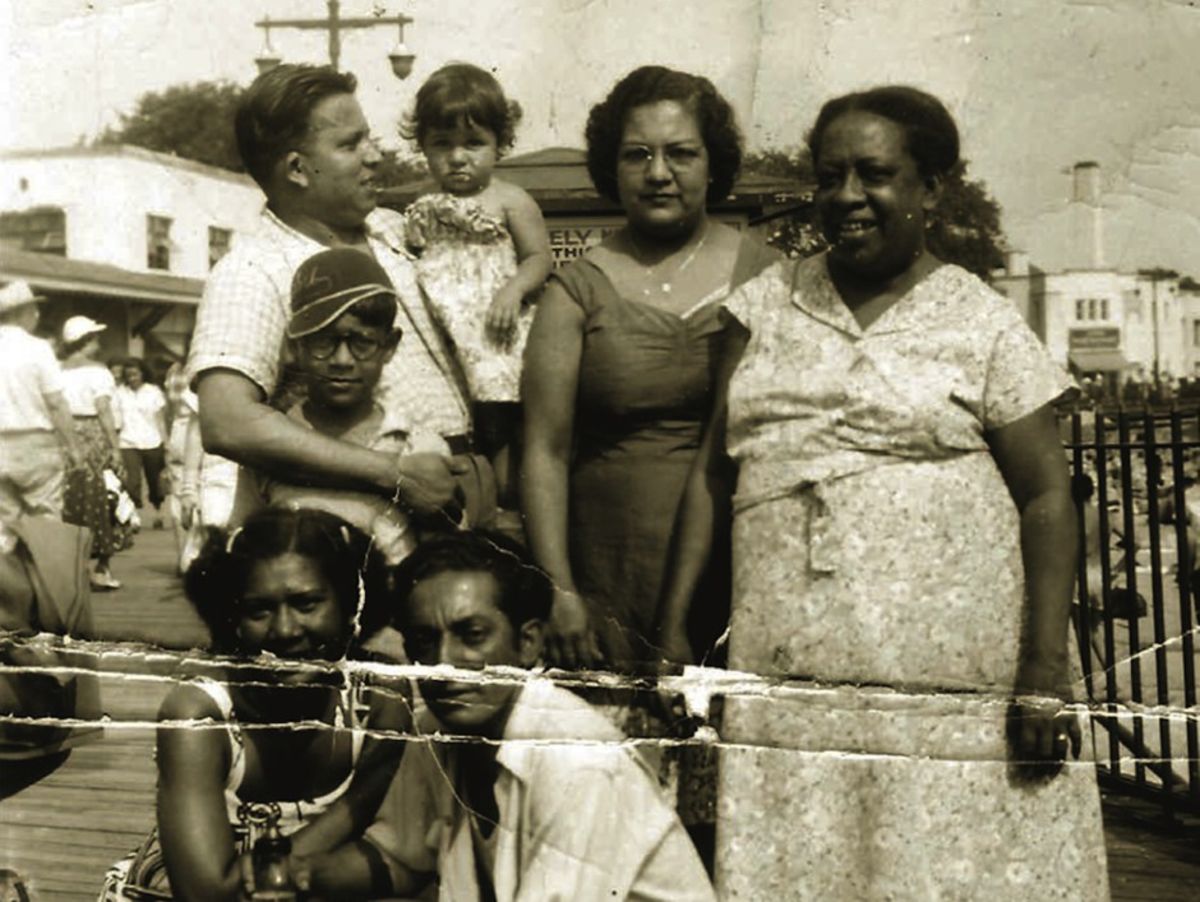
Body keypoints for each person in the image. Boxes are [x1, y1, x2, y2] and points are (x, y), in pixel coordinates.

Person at [662, 86, 1109, 898]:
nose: (847, 197)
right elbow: (711, 474)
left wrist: (1044, 668)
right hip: (793, 663)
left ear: (930, 187)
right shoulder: (762, 309)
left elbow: (1048, 497)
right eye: (830, 175)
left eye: (876, 174)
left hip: (952, 674)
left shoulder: (980, 321)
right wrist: (669, 634)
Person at [522, 65, 781, 669]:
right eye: (637, 154)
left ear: (713, 162)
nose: (658, 173)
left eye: (681, 153)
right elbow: (545, 451)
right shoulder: (574, 291)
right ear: (612, 169)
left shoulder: (767, 276)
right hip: (610, 565)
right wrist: (559, 589)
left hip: (741, 562)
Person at [296, 531, 716, 901]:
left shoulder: (575, 761)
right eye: (424, 641)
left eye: (472, 636)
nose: (444, 664)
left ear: (528, 643)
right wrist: (294, 876)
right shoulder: (438, 730)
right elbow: (398, 859)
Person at [187, 63, 472, 525]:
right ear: (297, 169)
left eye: (369, 138)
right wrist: (392, 474)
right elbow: (226, 420)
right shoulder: (254, 268)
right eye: (350, 144)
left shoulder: (393, 230)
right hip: (362, 525)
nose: (375, 156)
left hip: (453, 496)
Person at [101, 507, 412, 901]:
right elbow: (207, 893)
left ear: (352, 605)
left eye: (307, 603)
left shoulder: (377, 694)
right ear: (232, 619)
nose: (283, 630)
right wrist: (360, 799)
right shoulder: (199, 714)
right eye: (258, 610)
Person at [233, 246, 451, 564]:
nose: (342, 361)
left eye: (362, 343)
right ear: (297, 347)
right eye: (324, 342)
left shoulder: (415, 446)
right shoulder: (268, 449)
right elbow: (243, 545)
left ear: (388, 347)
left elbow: (440, 561)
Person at [403, 63, 553, 505]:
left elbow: (539, 257)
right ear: (424, 148)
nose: (457, 157)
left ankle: (508, 503)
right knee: (456, 424)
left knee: (501, 420)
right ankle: (471, 501)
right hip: (444, 333)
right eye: (442, 145)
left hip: (493, 331)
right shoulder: (423, 205)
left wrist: (514, 289)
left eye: (474, 144)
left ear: (499, 145)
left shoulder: (509, 199)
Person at [0, 281, 82, 553]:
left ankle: (7, 590)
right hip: (36, 443)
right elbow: (56, 402)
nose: (37, 315)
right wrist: (72, 447)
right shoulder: (37, 348)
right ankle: (48, 591)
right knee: (46, 519)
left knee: (3, 526)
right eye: (34, 309)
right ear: (23, 312)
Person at [57, 315, 125, 590]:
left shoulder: (56, 370)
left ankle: (72, 564)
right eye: (94, 337)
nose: (98, 342)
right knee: (99, 496)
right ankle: (101, 565)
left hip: (63, 434)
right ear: (85, 341)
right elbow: (104, 410)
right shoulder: (98, 372)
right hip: (92, 432)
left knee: (69, 498)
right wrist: (115, 447)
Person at [113, 357, 168, 526]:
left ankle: (157, 512)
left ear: (142, 374)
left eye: (135, 374)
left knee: (154, 481)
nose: (132, 379)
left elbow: (160, 419)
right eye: (128, 375)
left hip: (152, 441)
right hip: (128, 441)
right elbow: (116, 420)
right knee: (132, 481)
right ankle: (134, 514)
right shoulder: (119, 393)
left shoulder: (153, 392)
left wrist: (166, 442)